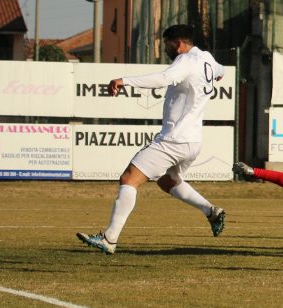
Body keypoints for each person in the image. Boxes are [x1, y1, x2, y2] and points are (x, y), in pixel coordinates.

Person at [77, 24, 226, 254]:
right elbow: (220, 71)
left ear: (178, 44)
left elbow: (163, 78)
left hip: (173, 140)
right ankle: (211, 211)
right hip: (193, 142)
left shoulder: (185, 60)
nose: (166, 50)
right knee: (167, 182)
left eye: (167, 45)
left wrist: (124, 81)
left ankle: (109, 238)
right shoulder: (207, 58)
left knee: (129, 179)